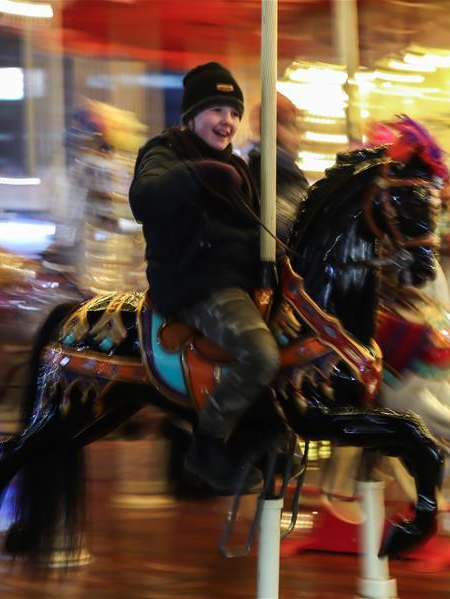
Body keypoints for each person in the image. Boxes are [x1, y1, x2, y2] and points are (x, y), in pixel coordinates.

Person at [129, 62, 280, 494]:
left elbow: (254, 226)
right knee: (260, 354)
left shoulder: (237, 166)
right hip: (198, 281)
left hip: (239, 278)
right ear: (191, 115)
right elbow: (144, 199)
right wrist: (196, 174)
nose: (227, 121)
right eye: (216, 110)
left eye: (234, 112)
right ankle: (208, 446)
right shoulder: (165, 151)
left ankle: (263, 436)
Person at [246, 93, 309, 242]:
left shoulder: (289, 170)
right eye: (289, 125)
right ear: (273, 128)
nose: (296, 136)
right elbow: (282, 223)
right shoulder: (264, 169)